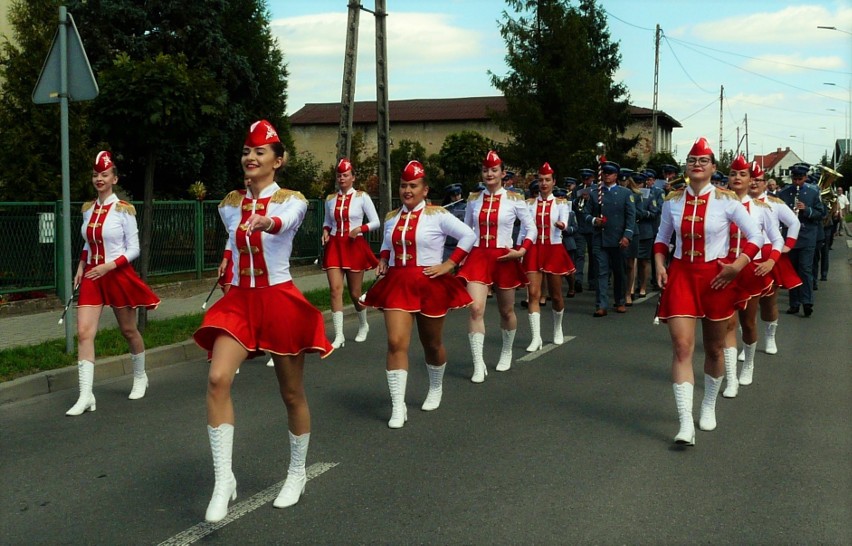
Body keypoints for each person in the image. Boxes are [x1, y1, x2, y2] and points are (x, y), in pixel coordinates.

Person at [193, 120, 333, 522]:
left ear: (278, 160)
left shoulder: (292, 199)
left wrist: (266, 222)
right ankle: (224, 479)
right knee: (218, 378)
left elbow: (285, 223)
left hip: (277, 299)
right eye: (246, 151)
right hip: (239, 301)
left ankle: (296, 473)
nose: (250, 158)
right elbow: (230, 241)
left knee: (291, 394)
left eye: (260, 152)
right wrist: (226, 260)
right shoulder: (229, 204)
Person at [654, 137, 762, 446]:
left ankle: (709, 404)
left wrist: (737, 265)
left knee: (714, 349)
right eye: (691, 160)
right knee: (682, 347)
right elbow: (661, 238)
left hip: (716, 279)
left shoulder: (727, 200)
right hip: (681, 278)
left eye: (703, 161)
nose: (697, 165)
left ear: (714, 168)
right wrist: (660, 263)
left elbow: (754, 235)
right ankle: (685, 423)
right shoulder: (672, 200)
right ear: (686, 167)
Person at [362, 161, 476, 428]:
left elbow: (468, 235)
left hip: (429, 283)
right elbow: (387, 243)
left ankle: (435, 387)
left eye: (413, 186)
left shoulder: (438, 215)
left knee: (432, 344)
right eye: (403, 185)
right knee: (395, 342)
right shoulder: (391, 217)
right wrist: (384, 259)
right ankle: (398, 404)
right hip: (398, 283)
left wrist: (449, 264)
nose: (407, 190)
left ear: (425, 190)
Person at [66, 151, 161, 416]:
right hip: (92, 278)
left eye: (104, 175)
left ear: (114, 178)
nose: (99, 179)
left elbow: (134, 249)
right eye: (96, 174)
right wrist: (81, 266)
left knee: (128, 330)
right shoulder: (88, 209)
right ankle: (86, 395)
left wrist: (109, 265)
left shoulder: (123, 210)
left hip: (116, 274)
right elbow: (88, 242)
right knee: (85, 333)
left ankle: (140, 375)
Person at [458, 150, 536, 380]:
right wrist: (462, 256)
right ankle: (477, 363)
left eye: (494, 170)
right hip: (479, 256)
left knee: (506, 310)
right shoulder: (473, 200)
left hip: (505, 257)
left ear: (503, 173)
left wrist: (521, 250)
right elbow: (466, 230)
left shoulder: (515, 199)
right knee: (475, 308)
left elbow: (531, 228)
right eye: (485, 170)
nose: (489, 174)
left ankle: (506, 350)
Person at [720, 157, 782, 398]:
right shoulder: (718, 204)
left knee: (748, 323)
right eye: (733, 173)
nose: (737, 178)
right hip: (723, 270)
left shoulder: (761, 209)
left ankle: (748, 364)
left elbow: (776, 239)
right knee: (726, 323)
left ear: (750, 180)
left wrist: (771, 261)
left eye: (743, 174)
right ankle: (731, 377)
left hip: (750, 271)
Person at [322, 158, 380, 348]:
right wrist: (325, 231)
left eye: (345, 175)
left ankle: (363, 324)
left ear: (353, 177)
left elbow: (376, 221)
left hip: (354, 246)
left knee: (355, 293)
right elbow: (328, 222)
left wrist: (360, 229)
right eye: (339, 175)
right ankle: (339, 335)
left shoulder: (362, 197)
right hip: (334, 246)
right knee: (335, 290)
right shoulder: (330, 199)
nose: (342, 178)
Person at [744, 168, 801, 358]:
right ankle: (746, 343)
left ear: (765, 183)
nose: (754, 183)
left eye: (758, 180)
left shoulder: (774, 204)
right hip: (743, 255)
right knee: (742, 305)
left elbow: (794, 222)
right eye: (750, 179)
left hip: (769, 255)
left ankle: (770, 337)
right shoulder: (734, 202)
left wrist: (788, 245)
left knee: (768, 302)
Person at [518, 162, 575, 351]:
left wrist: (562, 226)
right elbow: (524, 230)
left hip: (553, 249)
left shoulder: (560, 203)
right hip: (534, 249)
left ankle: (557, 328)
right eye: (541, 180)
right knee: (533, 294)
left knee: (556, 295)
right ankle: (536, 337)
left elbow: (565, 223)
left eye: (547, 180)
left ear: (553, 182)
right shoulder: (528, 204)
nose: (543, 183)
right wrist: (520, 250)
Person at [583, 161, 636, 317]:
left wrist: (627, 235)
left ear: (616, 175)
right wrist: (594, 221)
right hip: (600, 238)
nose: (607, 176)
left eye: (610, 173)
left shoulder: (625, 193)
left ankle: (620, 300)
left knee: (619, 272)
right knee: (601, 272)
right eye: (605, 173)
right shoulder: (595, 193)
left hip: (619, 238)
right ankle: (601, 304)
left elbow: (630, 216)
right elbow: (585, 214)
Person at [776, 163, 826, 317]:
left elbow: (821, 213)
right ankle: (794, 303)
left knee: (805, 269)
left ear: (805, 178)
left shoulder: (812, 192)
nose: (797, 182)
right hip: (790, 238)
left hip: (807, 236)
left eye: (800, 179)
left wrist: (807, 209)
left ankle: (807, 302)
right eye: (794, 179)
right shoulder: (784, 193)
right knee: (792, 271)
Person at [572, 168, 597, 293]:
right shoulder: (577, 189)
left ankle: (592, 281)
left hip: (592, 227)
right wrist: (578, 199)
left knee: (593, 255)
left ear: (592, 178)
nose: (586, 181)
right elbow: (572, 205)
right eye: (584, 179)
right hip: (580, 227)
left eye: (588, 179)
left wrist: (589, 200)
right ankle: (578, 280)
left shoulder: (597, 189)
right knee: (580, 254)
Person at [441, 183, 467, 262]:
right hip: (447, 245)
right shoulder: (445, 208)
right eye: (453, 196)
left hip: (460, 244)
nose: (456, 197)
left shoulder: (466, 206)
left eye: (458, 194)